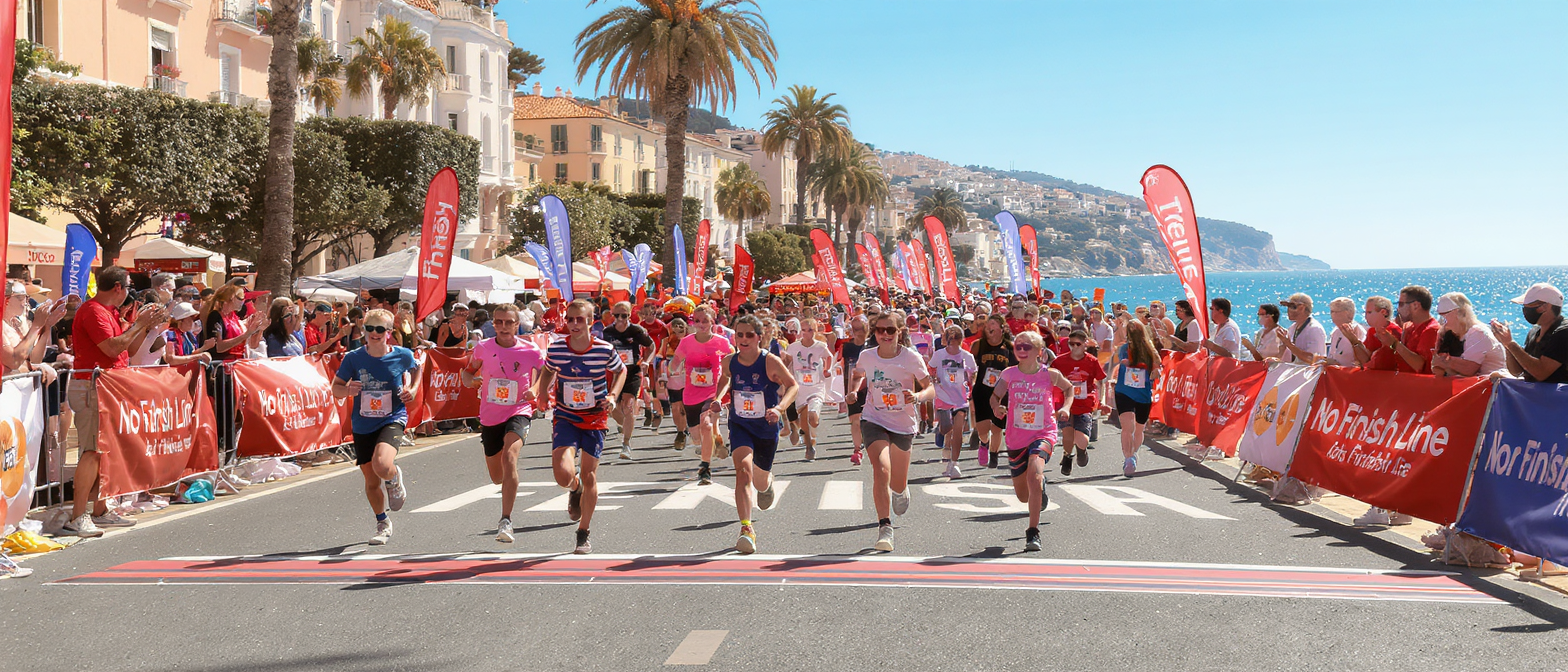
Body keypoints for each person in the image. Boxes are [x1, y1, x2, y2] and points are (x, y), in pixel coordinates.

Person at [60, 268, 164, 538]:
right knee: (92, 450)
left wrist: (147, 325)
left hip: (107, 386)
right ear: (118, 287)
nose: (130, 292)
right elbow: (112, 348)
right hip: (92, 387)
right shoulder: (93, 311)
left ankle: (100, 509)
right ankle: (78, 515)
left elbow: (128, 349)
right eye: (128, 286)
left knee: (104, 451)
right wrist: (139, 324)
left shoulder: (108, 312)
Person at [533, 300, 627, 554]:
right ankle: (575, 489)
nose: (574, 325)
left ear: (590, 321)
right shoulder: (557, 349)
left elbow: (621, 371)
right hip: (566, 415)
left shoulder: (604, 349)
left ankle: (583, 531)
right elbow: (548, 370)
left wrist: (613, 396)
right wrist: (543, 394)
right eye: (570, 319)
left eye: (580, 320)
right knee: (562, 474)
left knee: (590, 473)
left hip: (595, 417)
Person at [847, 312, 935, 552]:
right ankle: (885, 526)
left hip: (903, 423)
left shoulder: (911, 358)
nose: (885, 335)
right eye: (880, 330)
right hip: (873, 418)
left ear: (900, 332)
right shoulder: (867, 356)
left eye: (890, 330)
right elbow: (857, 375)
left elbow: (931, 389)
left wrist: (917, 396)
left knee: (896, 481)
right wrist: (854, 391)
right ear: (874, 332)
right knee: (881, 468)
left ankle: (900, 488)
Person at [711, 315, 799, 554]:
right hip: (740, 425)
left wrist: (779, 408)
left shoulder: (769, 361)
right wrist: (718, 399)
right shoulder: (730, 361)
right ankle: (746, 529)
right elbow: (725, 379)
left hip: (766, 427)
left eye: (749, 335)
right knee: (742, 471)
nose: (743, 339)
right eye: (739, 334)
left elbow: (793, 385)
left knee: (759, 480)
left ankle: (767, 484)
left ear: (759, 337)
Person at [330, 309, 417, 545]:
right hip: (362, 422)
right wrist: (347, 390)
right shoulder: (354, 358)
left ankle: (394, 476)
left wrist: (413, 390)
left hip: (392, 418)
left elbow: (416, 370)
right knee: (371, 481)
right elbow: (335, 387)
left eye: (380, 329)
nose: (375, 334)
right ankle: (382, 522)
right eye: (370, 329)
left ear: (389, 332)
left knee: (382, 464)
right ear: (364, 330)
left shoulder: (403, 355)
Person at [461, 304, 545, 543]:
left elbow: (547, 373)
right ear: (493, 324)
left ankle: (506, 520)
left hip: (519, 410)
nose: (504, 327)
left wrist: (535, 389)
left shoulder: (530, 350)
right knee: (497, 476)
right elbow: (468, 372)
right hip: (490, 416)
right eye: (499, 322)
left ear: (517, 324)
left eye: (509, 322)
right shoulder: (482, 348)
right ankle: (506, 498)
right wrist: (471, 381)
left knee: (510, 456)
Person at [990, 330, 1073, 551]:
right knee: (1022, 495)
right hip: (1016, 437)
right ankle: (1039, 487)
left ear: (1039, 351)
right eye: (1018, 346)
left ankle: (1033, 532)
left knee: (1035, 473)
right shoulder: (1009, 374)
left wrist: (1065, 407)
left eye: (1027, 347)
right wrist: (997, 407)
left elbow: (1069, 388)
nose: (1022, 350)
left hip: (1043, 433)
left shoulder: (1050, 374)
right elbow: (995, 396)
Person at [675, 306, 734, 485]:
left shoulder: (722, 343)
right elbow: (675, 361)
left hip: (712, 393)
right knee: (696, 437)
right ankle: (711, 443)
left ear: (712, 321)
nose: (701, 325)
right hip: (691, 395)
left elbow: (731, 368)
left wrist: (723, 393)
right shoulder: (686, 342)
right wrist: (670, 370)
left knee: (706, 425)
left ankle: (705, 468)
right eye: (697, 321)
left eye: (705, 321)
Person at [1107, 321, 1162, 477]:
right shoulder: (1125, 349)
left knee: (1139, 428)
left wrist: (1155, 371)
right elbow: (1123, 361)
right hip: (1124, 391)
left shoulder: (1150, 350)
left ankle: (1134, 453)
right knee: (1127, 427)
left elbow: (1157, 366)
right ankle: (1128, 458)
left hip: (1143, 394)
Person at [600, 302, 653, 461]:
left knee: (629, 405)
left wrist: (647, 361)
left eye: (624, 315)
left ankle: (626, 444)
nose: (620, 319)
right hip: (615, 373)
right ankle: (624, 425)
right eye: (617, 316)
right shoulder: (607, 331)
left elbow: (651, 346)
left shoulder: (636, 331)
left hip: (633, 372)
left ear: (630, 315)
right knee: (613, 407)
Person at [1051, 329, 1106, 477]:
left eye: (1078, 344)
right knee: (1068, 434)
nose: (1074, 347)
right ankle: (1067, 457)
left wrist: (1101, 402)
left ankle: (1081, 450)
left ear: (1085, 344)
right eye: (1071, 344)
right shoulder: (1059, 361)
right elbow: (1050, 381)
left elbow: (1101, 381)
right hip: (1065, 404)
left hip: (1085, 404)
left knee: (1081, 439)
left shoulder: (1092, 361)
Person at [1490, 282, 1567, 383]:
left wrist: (1511, 343)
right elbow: (1518, 371)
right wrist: (1506, 345)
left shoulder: (1563, 333)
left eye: (1528, 306)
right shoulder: (1535, 331)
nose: (1525, 310)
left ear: (1545, 307)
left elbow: (1541, 373)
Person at [930, 324, 977, 479]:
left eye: (956, 339)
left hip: (960, 398)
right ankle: (940, 431)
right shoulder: (939, 355)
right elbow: (930, 369)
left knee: (958, 431)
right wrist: (934, 378)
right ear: (946, 340)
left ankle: (954, 462)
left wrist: (971, 382)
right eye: (950, 339)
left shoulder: (967, 356)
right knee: (946, 428)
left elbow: (973, 372)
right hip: (943, 396)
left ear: (961, 340)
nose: (953, 343)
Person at [969, 315, 1017, 470]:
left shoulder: (1010, 347)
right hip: (982, 391)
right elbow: (970, 366)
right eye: (988, 324)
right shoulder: (978, 345)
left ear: (1001, 328)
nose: (989, 327)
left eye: (993, 324)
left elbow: (1016, 369)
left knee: (997, 427)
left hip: (1002, 392)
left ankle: (994, 455)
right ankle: (984, 442)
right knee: (983, 428)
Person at [783, 316, 833, 461]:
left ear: (815, 331)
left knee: (813, 420)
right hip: (800, 387)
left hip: (816, 386)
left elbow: (828, 357)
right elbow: (787, 362)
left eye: (810, 330)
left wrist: (826, 370)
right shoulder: (793, 347)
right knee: (804, 418)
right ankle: (809, 446)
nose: (806, 333)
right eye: (803, 330)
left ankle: (812, 434)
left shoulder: (820, 346)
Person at [1431, 293, 1505, 377]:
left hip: (1493, 386)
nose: (1441, 321)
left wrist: (1445, 361)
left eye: (1444, 316)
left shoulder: (1478, 332)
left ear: (1460, 313)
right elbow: (1436, 369)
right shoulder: (1448, 333)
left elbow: (1469, 369)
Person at [1377, 285, 1438, 374]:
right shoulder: (1409, 327)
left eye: (1401, 304)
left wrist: (1394, 343)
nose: (1398, 309)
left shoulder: (1431, 330)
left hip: (1420, 386)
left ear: (1415, 305)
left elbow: (1420, 365)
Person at [838, 315, 871, 464]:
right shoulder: (847, 347)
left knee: (867, 420)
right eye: (854, 328)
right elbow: (841, 366)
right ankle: (857, 450)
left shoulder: (872, 347)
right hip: (852, 387)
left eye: (860, 327)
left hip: (870, 387)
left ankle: (867, 441)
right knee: (855, 420)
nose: (857, 331)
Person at [659, 316, 690, 451]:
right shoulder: (666, 342)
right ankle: (680, 432)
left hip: (688, 380)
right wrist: (662, 375)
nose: (677, 333)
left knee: (686, 408)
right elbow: (660, 357)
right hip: (673, 379)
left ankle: (687, 427)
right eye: (674, 330)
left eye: (681, 329)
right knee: (676, 408)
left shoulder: (691, 341)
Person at [1351, 296, 1404, 370]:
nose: (1366, 317)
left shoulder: (1394, 331)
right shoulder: (1371, 331)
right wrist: (1354, 341)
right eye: (1365, 313)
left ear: (1383, 312)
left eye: (1369, 312)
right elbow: (1367, 358)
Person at [1276, 293, 1328, 364]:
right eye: (1288, 307)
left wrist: (1288, 344)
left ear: (1302, 308)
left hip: (1309, 373)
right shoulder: (1292, 328)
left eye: (1292, 307)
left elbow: (1314, 360)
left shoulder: (1314, 329)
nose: (1288, 310)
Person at [1325, 297, 1367, 367]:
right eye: (1331, 312)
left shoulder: (1357, 331)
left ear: (1348, 313)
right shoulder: (1335, 331)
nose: (1331, 315)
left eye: (1334, 312)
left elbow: (1361, 360)